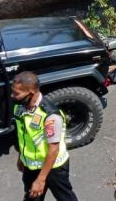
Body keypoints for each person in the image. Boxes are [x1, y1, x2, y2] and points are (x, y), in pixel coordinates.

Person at [11, 71, 78, 201]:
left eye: (16, 93)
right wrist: (21, 158)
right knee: (32, 197)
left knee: (65, 198)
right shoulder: (19, 107)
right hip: (31, 165)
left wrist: (41, 180)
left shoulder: (50, 115)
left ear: (31, 93)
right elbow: (24, 135)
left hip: (54, 167)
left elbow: (53, 150)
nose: (12, 95)